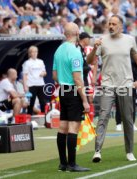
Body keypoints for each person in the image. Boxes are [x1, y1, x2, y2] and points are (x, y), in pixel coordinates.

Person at [87, 15, 137, 162]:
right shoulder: (102, 40)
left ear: (120, 26)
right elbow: (90, 61)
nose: (110, 26)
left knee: (127, 119)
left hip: (125, 85)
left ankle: (129, 151)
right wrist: (94, 48)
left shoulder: (129, 40)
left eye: (114, 24)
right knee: (103, 117)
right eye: (109, 23)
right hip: (107, 85)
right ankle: (97, 151)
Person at [52, 22, 90, 172]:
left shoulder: (58, 50)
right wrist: (85, 100)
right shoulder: (75, 51)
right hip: (73, 91)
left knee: (63, 127)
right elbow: (77, 79)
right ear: (76, 32)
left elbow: (54, 75)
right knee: (73, 127)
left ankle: (63, 163)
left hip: (62, 89)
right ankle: (72, 164)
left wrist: (63, 81)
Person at [78, 32, 98, 122]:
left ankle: (90, 120)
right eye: (88, 38)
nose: (90, 40)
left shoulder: (90, 49)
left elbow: (95, 63)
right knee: (84, 97)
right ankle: (84, 120)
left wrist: (94, 77)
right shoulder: (78, 49)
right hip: (82, 77)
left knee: (90, 98)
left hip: (89, 77)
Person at [22, 46, 46, 115]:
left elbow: (45, 72)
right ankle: (29, 117)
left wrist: (43, 73)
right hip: (31, 85)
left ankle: (44, 116)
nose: (35, 53)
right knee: (31, 103)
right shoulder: (27, 63)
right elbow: (25, 75)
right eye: (33, 52)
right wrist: (25, 87)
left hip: (40, 84)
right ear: (30, 53)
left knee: (43, 102)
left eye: (36, 51)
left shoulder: (41, 61)